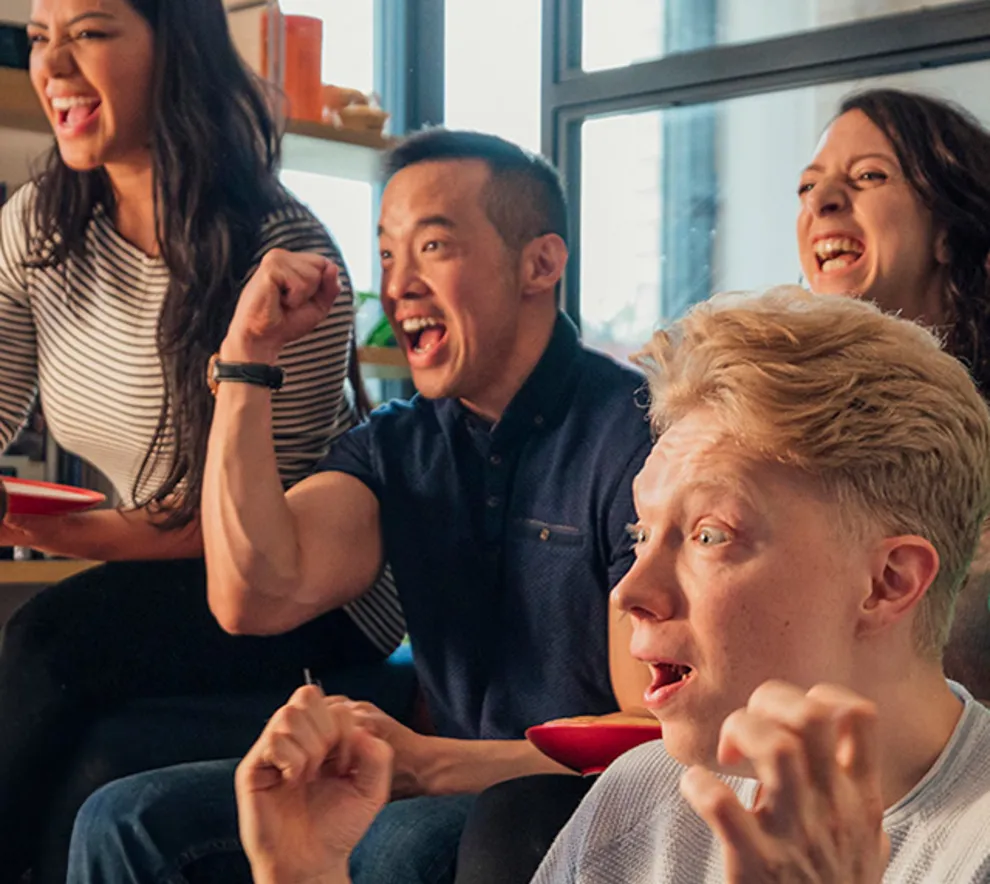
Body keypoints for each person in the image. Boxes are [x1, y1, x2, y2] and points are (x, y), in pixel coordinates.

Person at [230, 287, 990, 883]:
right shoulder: (643, 794)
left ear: (889, 583)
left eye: (709, 536)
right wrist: (308, 873)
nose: (629, 592)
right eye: (638, 535)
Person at [66, 129, 654, 884]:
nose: (397, 283)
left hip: (562, 807)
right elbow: (252, 593)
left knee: (398, 845)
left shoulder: (632, 439)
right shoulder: (400, 442)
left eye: (433, 247)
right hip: (429, 780)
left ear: (540, 263)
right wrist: (247, 363)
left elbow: (646, 737)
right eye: (385, 253)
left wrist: (432, 764)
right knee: (126, 818)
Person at [0, 1, 404, 881]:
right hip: (163, 580)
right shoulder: (37, 231)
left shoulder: (280, 255)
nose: (56, 67)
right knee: (85, 738)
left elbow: (257, 538)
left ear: (175, 49)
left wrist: (60, 530)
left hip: (305, 600)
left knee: (46, 644)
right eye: (39, 39)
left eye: (92, 32)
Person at [795, 88, 990, 700]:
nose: (823, 201)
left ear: (948, 236)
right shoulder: (785, 425)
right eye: (807, 187)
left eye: (869, 176)